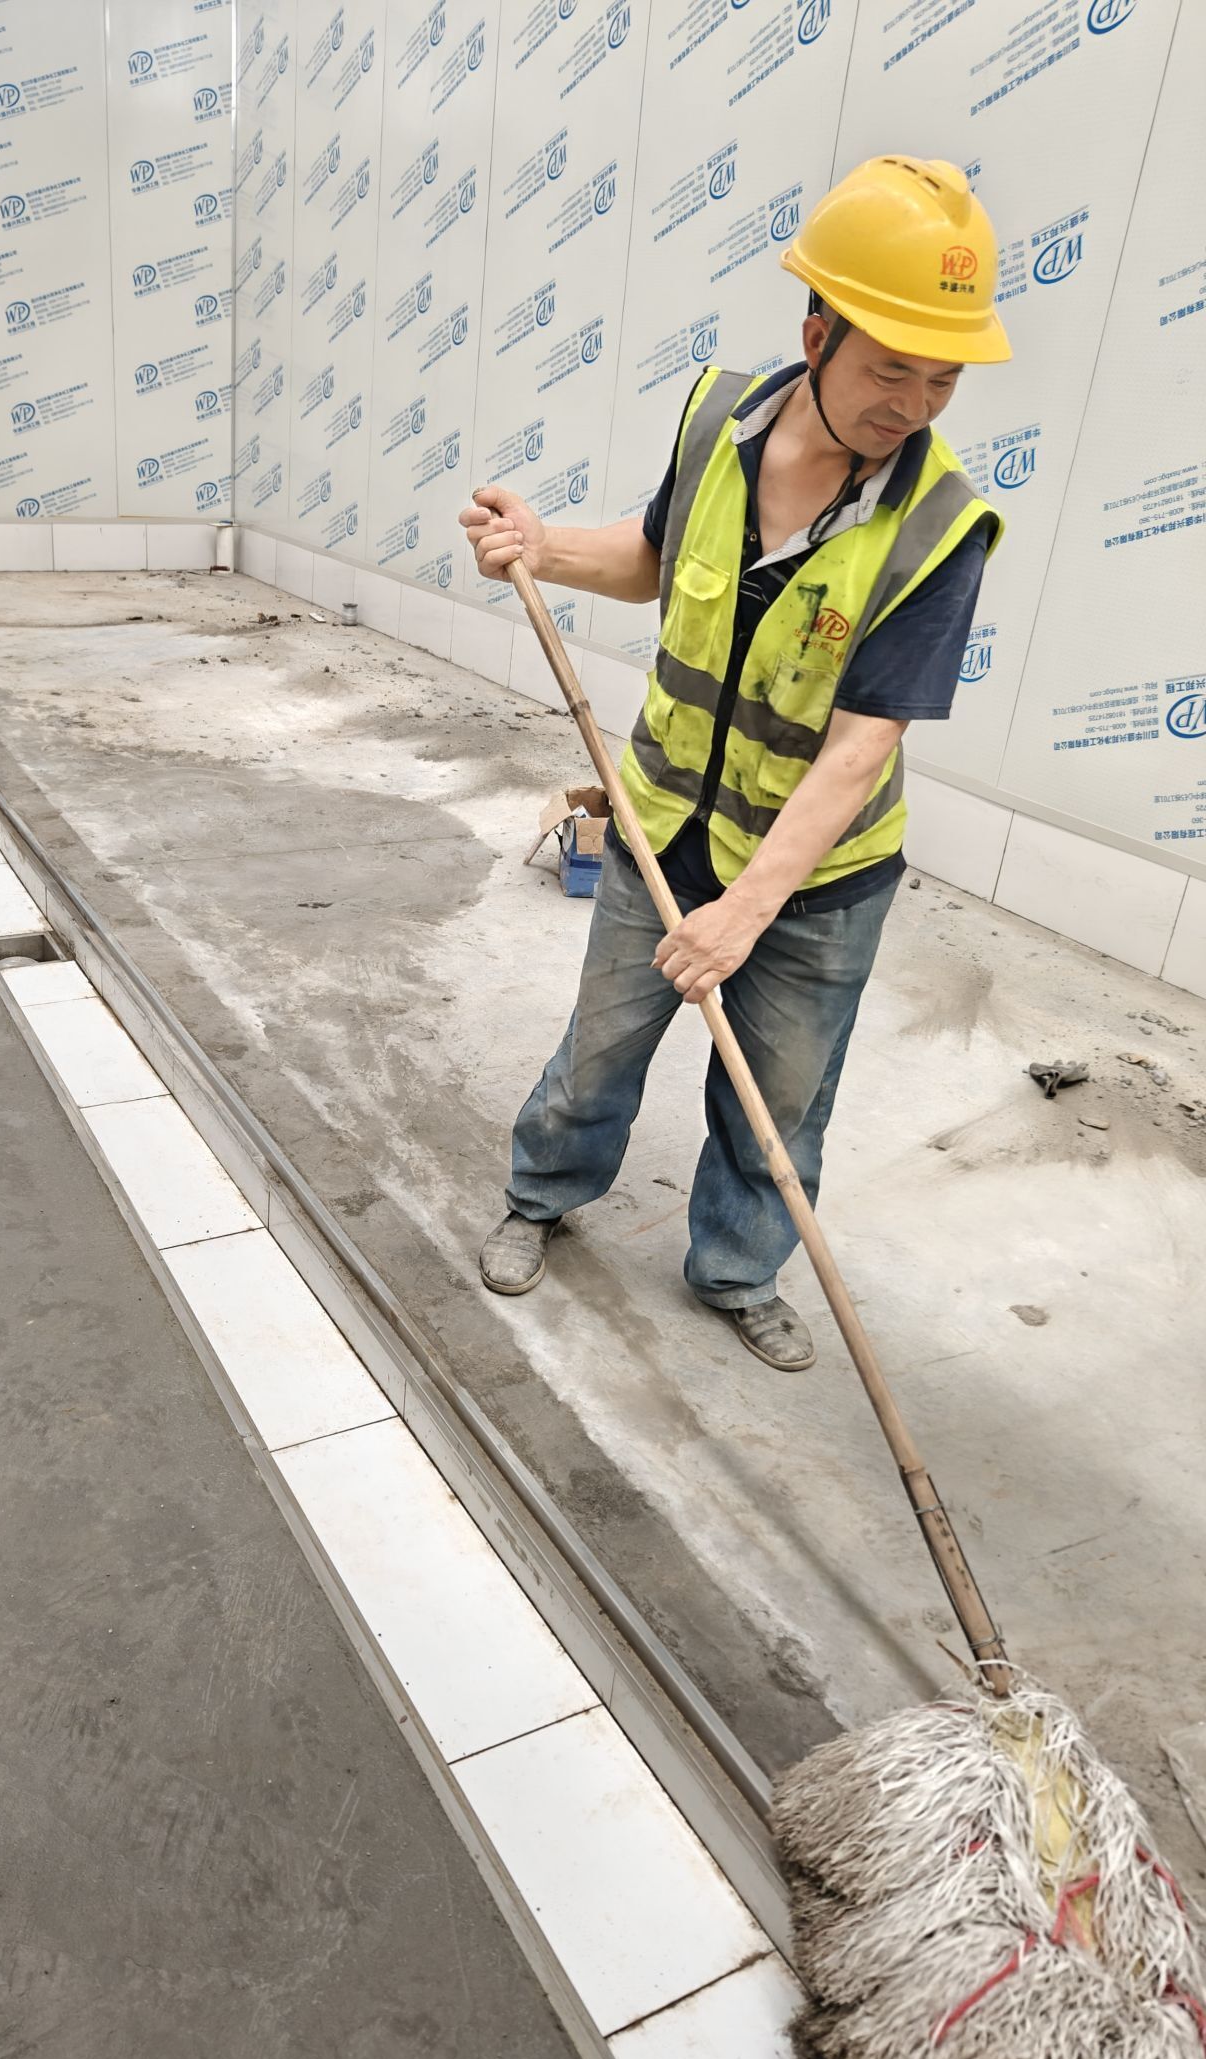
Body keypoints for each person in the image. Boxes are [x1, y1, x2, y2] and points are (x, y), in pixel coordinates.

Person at [460, 156, 1011, 1370]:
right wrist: (545, 546)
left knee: (778, 1100)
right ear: (817, 336)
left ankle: (735, 1271)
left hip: (816, 884)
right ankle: (540, 1199)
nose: (914, 403)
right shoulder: (717, 421)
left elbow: (861, 748)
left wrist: (745, 912)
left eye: (942, 377)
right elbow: (654, 559)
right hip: (663, 828)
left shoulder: (939, 529)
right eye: (890, 368)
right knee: (598, 1048)